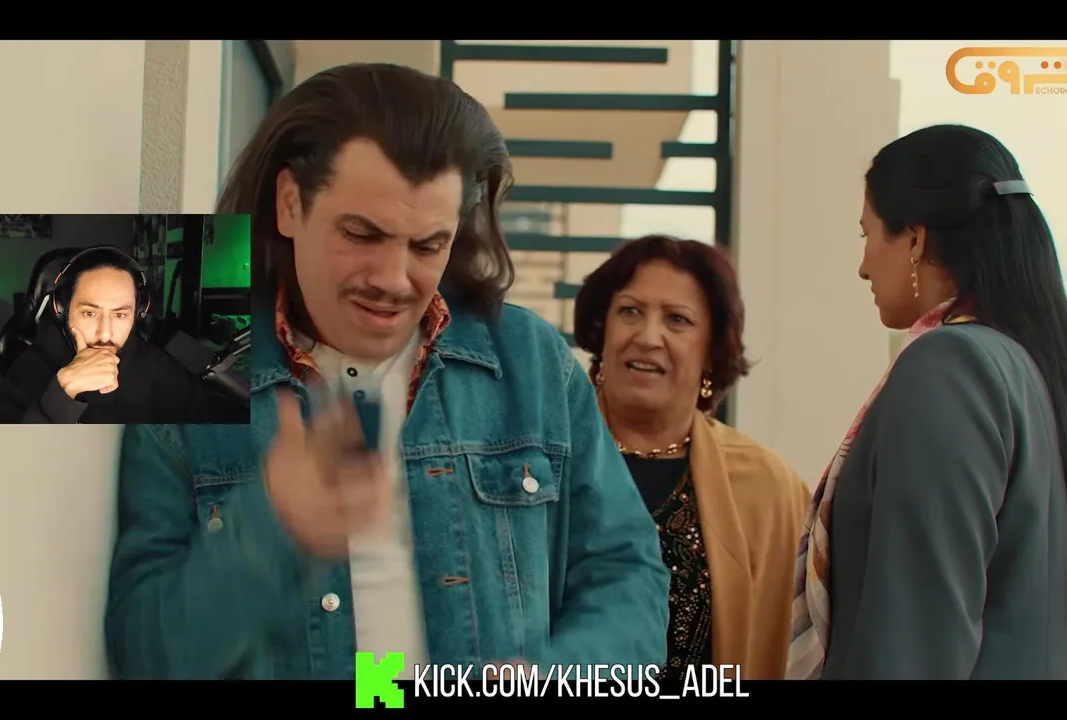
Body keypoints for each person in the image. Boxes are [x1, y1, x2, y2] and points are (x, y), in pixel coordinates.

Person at [104, 63, 669, 680]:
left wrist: (556, 676)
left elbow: (628, 578)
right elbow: (145, 657)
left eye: (427, 245)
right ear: (290, 204)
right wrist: (269, 534)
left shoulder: (531, 361)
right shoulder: (187, 366)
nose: (394, 280)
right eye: (362, 234)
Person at [786, 124, 1067, 680]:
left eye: (867, 235)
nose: (863, 266)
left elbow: (916, 642)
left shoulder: (950, 366)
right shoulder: (1057, 377)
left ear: (916, 240)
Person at [572, 235, 811, 680]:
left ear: (711, 352)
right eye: (630, 311)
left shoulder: (769, 490)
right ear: (602, 331)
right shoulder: (539, 458)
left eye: (677, 319)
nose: (648, 337)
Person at [0, 246, 242, 424]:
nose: (105, 333)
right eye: (90, 313)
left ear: (138, 313)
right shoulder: (29, 369)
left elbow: (216, 418)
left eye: (120, 315)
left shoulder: (153, 362)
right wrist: (62, 393)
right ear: (61, 308)